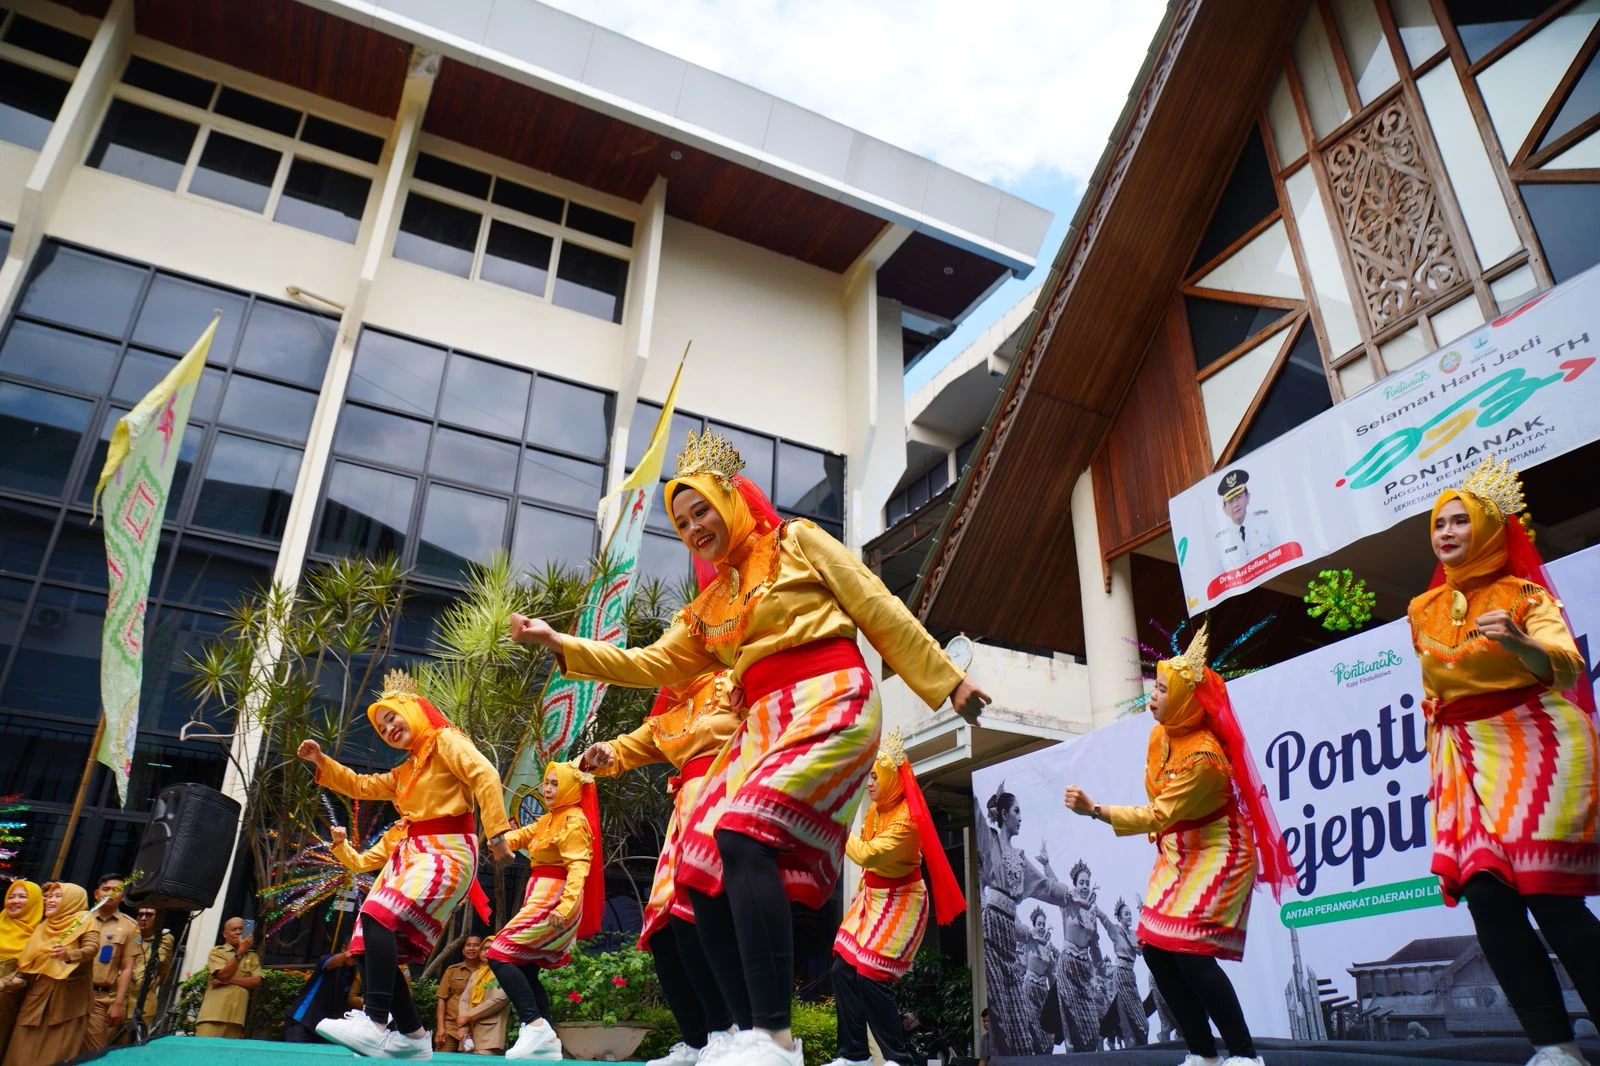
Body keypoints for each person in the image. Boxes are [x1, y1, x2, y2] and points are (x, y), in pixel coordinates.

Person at [511, 429, 990, 1066]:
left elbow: (876, 604)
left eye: (701, 510)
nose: (693, 528)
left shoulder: (798, 542)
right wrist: (561, 644)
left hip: (830, 697)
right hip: (763, 724)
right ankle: (741, 1035)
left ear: (732, 498)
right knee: (697, 866)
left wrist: (946, 680)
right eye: (680, 523)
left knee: (738, 832)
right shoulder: (707, 607)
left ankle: (775, 1036)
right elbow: (647, 663)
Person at [1408, 456, 1600, 1066]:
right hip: (1463, 755)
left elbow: (1565, 665)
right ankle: (1552, 1043)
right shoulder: (1420, 609)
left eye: (1460, 521)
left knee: (1549, 896)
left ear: (1490, 527)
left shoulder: (1525, 594)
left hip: (1536, 742)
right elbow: (1436, 684)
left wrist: (1519, 640)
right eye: (1439, 524)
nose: (1447, 533)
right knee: (1487, 897)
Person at [1063, 623, 1295, 1066]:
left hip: (1219, 851)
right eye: (1155, 686)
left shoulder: (1206, 758)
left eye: (1163, 689)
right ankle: (1202, 1053)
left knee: (1190, 953)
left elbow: (1158, 813)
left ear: (1187, 700)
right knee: (1154, 948)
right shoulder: (1160, 735)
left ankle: (1244, 1055)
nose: (1153, 695)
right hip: (1179, 850)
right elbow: (1161, 809)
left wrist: (1095, 810)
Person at [299, 668, 512, 1058]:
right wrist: (322, 761)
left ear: (413, 710)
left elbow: (484, 773)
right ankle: (413, 1036)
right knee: (366, 942)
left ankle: (375, 1021)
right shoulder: (405, 771)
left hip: (446, 850)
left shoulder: (445, 740)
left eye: (392, 717)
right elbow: (362, 786)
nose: (389, 728)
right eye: (382, 728)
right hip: (413, 856)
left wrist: (497, 833)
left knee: (377, 916)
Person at [578, 668, 741, 1066]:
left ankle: (728, 1031)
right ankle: (697, 1039)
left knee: (696, 915)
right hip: (685, 814)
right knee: (664, 928)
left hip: (726, 800)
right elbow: (628, 747)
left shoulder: (734, 679)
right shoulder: (672, 710)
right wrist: (604, 753)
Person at [828, 729, 965, 1066]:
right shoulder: (876, 810)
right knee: (841, 970)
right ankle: (854, 1055)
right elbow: (867, 860)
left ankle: (898, 1058)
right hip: (872, 898)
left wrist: (836, 821)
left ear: (890, 777)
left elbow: (867, 854)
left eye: (875, 776)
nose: (870, 783)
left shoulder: (907, 821)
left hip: (902, 901)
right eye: (869, 776)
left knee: (870, 976)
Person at [486, 761, 601, 1061]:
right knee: (525, 967)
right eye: (546, 783)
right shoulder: (551, 819)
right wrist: (498, 838)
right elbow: (520, 836)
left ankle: (534, 1025)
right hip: (539, 896)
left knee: (498, 953)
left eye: (554, 784)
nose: (548, 789)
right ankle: (547, 1041)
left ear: (571, 788)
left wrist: (565, 906)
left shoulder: (574, 821)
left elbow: (578, 869)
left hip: (554, 900)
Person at [975, 784, 1071, 1056]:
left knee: (1020, 1021)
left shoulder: (1019, 857)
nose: (1020, 817)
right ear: (1004, 814)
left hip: (1007, 929)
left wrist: (1072, 895)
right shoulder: (990, 841)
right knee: (1000, 1011)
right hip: (991, 928)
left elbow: (1046, 888)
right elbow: (978, 817)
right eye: (1017, 811)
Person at [2, 881, 99, 1066]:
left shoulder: (84, 919)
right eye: (49, 897)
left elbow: (92, 948)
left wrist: (68, 955)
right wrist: (5, 983)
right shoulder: (43, 927)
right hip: (36, 998)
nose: (50, 901)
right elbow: (27, 968)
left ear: (72, 900)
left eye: (58, 896)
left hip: (67, 1003)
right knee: (18, 1051)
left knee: (54, 1056)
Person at [82, 872, 141, 1051]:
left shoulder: (130, 926)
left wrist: (118, 1003)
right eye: (105, 889)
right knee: (59, 1048)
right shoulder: (80, 919)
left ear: (123, 896)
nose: (110, 894)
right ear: (96, 894)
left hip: (100, 998)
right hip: (70, 992)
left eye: (116, 890)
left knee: (93, 1052)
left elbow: (127, 968)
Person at [195, 917, 260, 1039]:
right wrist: (240, 951)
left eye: (241, 929)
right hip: (213, 1016)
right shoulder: (217, 952)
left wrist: (228, 981)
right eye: (234, 929)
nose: (238, 932)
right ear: (225, 934)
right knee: (203, 1053)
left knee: (225, 1056)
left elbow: (256, 981)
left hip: (236, 1019)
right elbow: (223, 974)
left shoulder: (252, 956)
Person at [0, 880, 41, 1053]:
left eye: (22, 897)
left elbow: (26, 976)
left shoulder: (40, 935)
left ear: (34, 902)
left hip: (6, 1003)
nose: (15, 901)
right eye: (11, 896)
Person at [283, 951, 359, 1043]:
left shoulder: (354, 972)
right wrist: (347, 954)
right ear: (343, 948)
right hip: (302, 1021)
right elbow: (329, 963)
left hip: (324, 1028)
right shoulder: (327, 958)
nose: (355, 956)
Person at [1102, 899, 1147, 1047]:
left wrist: (1142, 911)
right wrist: (1093, 908)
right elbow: (1105, 920)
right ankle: (1128, 1045)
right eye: (1126, 914)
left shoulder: (1134, 933)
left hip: (1130, 975)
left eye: (1130, 914)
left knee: (1142, 1021)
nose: (1129, 916)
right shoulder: (1115, 930)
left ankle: (1139, 1044)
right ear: (1120, 917)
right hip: (1120, 974)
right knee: (1126, 1015)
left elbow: (1145, 936)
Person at [1212, 469, 1275, 573]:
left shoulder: (1265, 522)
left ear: (1248, 497)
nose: (1236, 504)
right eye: (1230, 501)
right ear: (1224, 509)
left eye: (1238, 497)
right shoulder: (1220, 541)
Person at [432, 935, 485, 1053]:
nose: (471, 948)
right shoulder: (452, 970)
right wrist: (440, 1028)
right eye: (468, 945)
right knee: (442, 1061)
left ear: (482, 949)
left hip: (475, 1029)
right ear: (463, 950)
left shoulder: (487, 972)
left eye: (476, 945)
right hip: (450, 1027)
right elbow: (442, 998)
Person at [130, 905, 174, 1031]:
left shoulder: (164, 938)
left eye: (149, 915)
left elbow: (160, 967)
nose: (143, 918)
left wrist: (151, 985)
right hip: (120, 998)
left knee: (135, 1042)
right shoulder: (130, 934)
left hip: (143, 1000)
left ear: (158, 918)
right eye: (140, 914)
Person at [455, 962, 511, 1054]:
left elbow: (500, 999)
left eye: (490, 948)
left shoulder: (504, 971)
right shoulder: (476, 974)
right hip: (469, 1028)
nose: (486, 952)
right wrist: (463, 1025)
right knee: (465, 1062)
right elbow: (464, 1000)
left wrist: (468, 1016)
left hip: (491, 1031)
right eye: (483, 949)